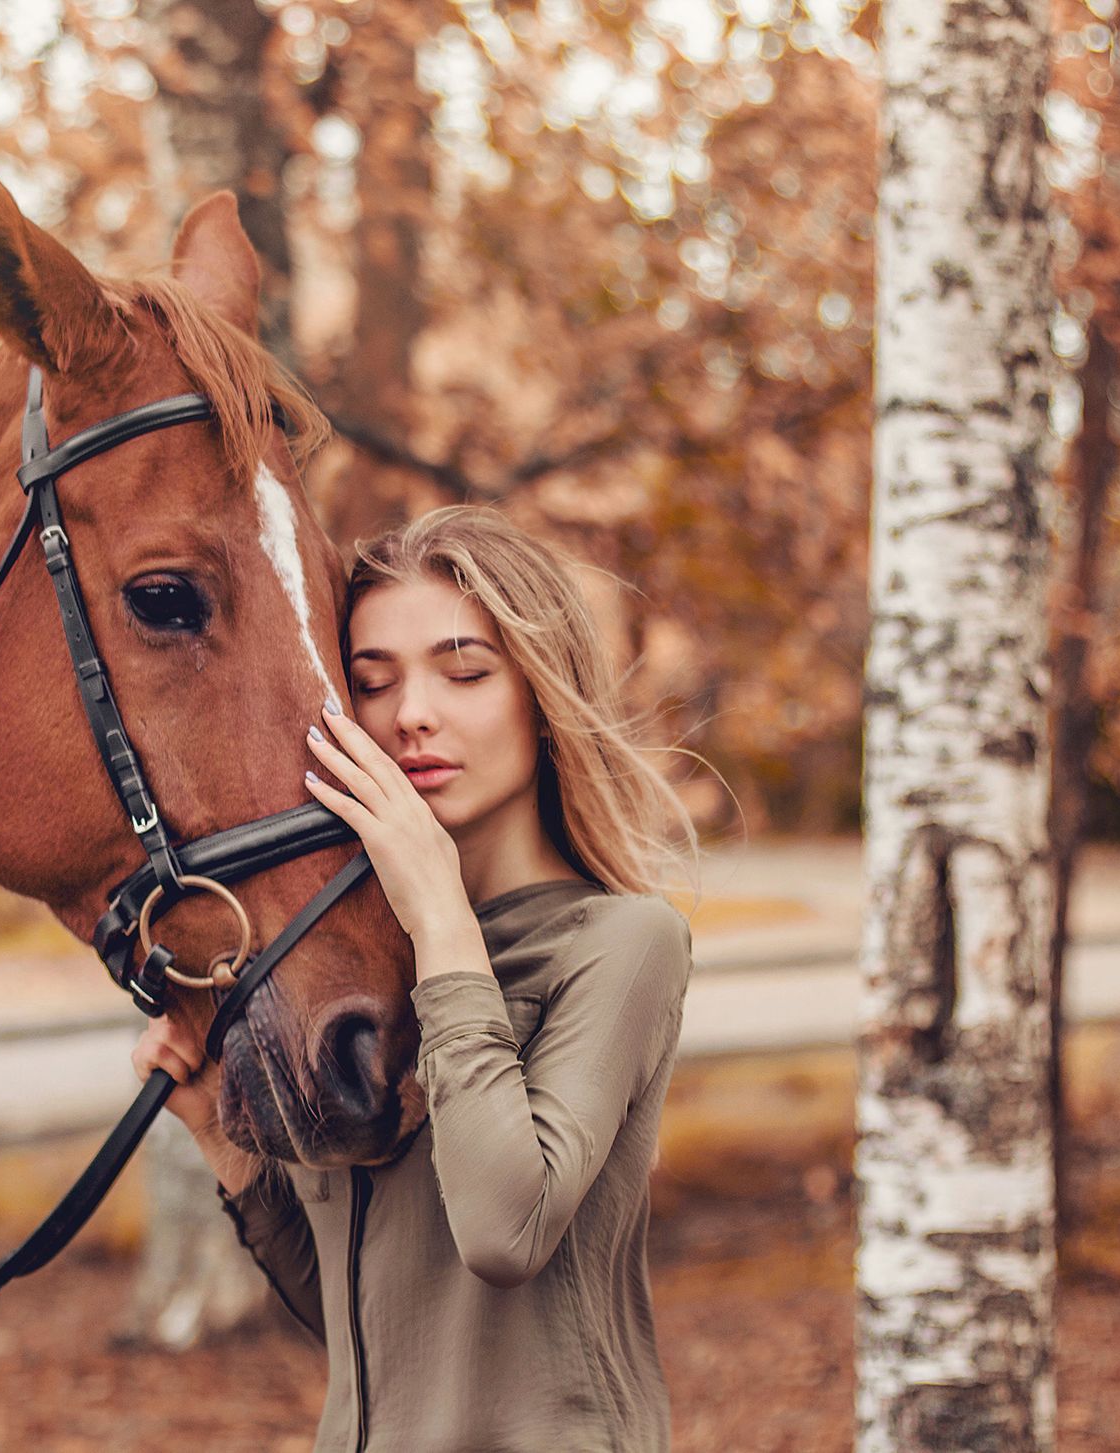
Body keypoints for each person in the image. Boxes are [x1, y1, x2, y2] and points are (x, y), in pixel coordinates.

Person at [133, 505, 699, 1453]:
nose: (412, 713)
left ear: (540, 690)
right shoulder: (363, 970)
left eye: (465, 669)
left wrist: (438, 910)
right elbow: (376, 1322)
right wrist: (220, 1139)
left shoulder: (622, 942)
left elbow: (503, 1234)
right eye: (371, 683)